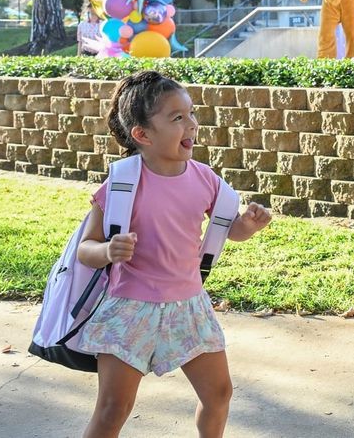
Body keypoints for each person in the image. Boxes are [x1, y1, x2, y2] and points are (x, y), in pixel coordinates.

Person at [76, 70, 273, 438]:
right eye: (177, 118)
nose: (192, 125)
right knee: (112, 409)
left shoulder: (206, 179)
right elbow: (86, 249)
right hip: (130, 311)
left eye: (192, 113)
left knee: (219, 394)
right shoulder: (120, 184)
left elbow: (232, 231)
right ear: (142, 135)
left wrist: (249, 224)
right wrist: (108, 249)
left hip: (189, 307)